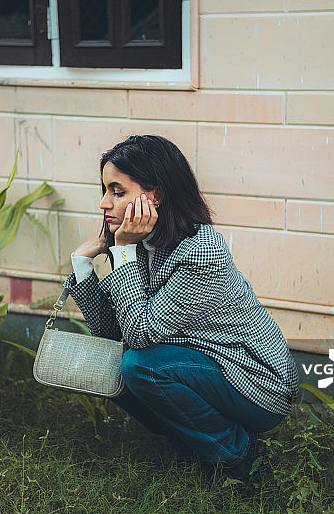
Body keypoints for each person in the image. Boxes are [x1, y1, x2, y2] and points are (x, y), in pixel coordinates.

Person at [64, 135, 298, 479]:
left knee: (140, 366)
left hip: (257, 382)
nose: (104, 203)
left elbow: (139, 335)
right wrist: (82, 264)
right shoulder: (143, 243)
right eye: (105, 190)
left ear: (155, 196)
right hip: (203, 368)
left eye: (117, 191)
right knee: (116, 361)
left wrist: (122, 252)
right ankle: (191, 441)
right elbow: (112, 334)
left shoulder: (200, 251)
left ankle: (242, 458)